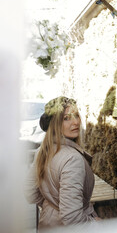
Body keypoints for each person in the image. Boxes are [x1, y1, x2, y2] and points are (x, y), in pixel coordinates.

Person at [24, 96, 99, 232]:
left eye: (76, 115)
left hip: (47, 223)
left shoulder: (43, 150)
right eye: (67, 118)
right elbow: (72, 217)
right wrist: (95, 224)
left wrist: (51, 205)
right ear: (55, 124)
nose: (75, 122)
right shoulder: (73, 159)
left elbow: (30, 192)